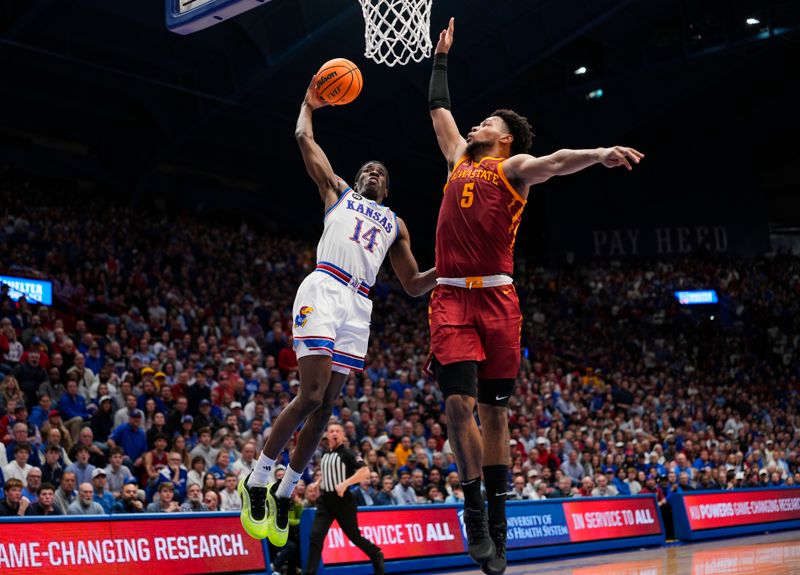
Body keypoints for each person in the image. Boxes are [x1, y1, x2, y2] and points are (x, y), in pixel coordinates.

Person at [426, 17, 644, 575]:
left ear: (503, 138)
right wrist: (441, 57)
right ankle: (474, 508)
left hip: (498, 301)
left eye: (488, 122)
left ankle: (499, 521)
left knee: (496, 417)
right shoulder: (458, 159)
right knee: (457, 407)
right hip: (451, 298)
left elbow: (557, 160)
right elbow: (438, 111)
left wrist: (600, 153)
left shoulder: (512, 167)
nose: (475, 123)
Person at [239, 75, 436, 549]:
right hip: (325, 286)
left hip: (359, 304)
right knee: (309, 396)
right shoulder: (338, 193)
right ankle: (258, 478)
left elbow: (412, 285)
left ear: (387, 190)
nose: (373, 172)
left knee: (327, 407)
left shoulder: (395, 224)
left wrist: (448, 270)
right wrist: (308, 103)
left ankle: (286, 492)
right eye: (367, 168)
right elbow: (304, 138)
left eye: (380, 172)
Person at [303, 422, 384, 575]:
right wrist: (318, 483)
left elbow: (365, 471)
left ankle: (376, 554)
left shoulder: (348, 453)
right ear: (327, 435)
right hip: (325, 501)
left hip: (343, 501)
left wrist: (345, 483)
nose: (334, 433)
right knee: (315, 536)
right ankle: (310, 573)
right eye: (331, 431)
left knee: (354, 537)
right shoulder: (325, 454)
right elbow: (329, 474)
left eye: (337, 431)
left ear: (342, 435)